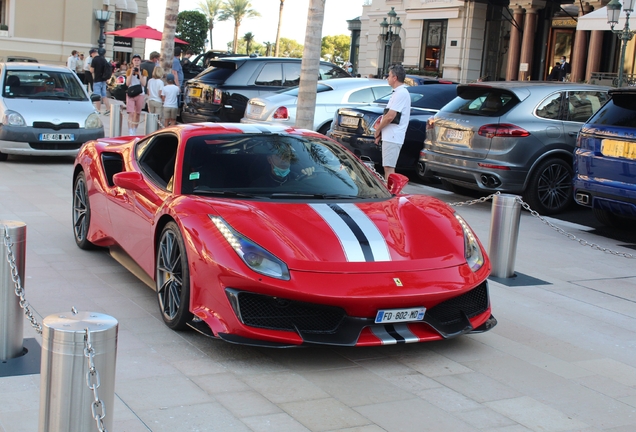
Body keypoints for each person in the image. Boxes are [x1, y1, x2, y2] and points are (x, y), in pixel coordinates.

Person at [373, 64, 411, 179]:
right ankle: (391, 192)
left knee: (389, 168)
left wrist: (379, 129)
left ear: (395, 78)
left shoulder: (401, 93)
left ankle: (392, 193)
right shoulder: (397, 93)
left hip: (393, 136)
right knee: (387, 167)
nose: (387, 78)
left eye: (389, 76)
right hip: (390, 135)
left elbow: (390, 116)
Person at [250, 146, 315, 187]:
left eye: (286, 156)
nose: (283, 160)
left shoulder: (298, 178)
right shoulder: (259, 184)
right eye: (278, 156)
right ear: (269, 160)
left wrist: (310, 178)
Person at [125, 54, 148, 135]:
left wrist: (139, 73)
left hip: (140, 93)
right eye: (135, 60)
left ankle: (134, 129)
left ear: (140, 61)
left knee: (137, 113)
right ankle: (130, 130)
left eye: (138, 60)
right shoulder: (129, 71)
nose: (136, 62)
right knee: (130, 113)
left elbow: (144, 83)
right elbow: (127, 83)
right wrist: (131, 72)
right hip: (131, 93)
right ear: (132, 61)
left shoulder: (144, 71)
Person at [90, 48, 111, 114]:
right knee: (104, 96)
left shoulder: (94, 60)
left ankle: (98, 110)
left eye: (91, 55)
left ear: (92, 53)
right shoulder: (103, 59)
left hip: (97, 80)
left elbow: (91, 70)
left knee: (97, 96)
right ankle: (108, 109)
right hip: (103, 80)